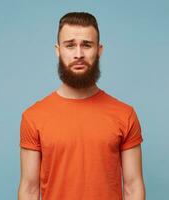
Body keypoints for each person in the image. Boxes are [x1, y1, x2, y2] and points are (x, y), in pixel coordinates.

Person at [18, 12, 145, 200]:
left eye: (86, 45)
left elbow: (133, 186)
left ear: (99, 50)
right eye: (70, 45)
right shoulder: (33, 117)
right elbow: (29, 189)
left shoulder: (125, 115)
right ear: (58, 50)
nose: (78, 54)